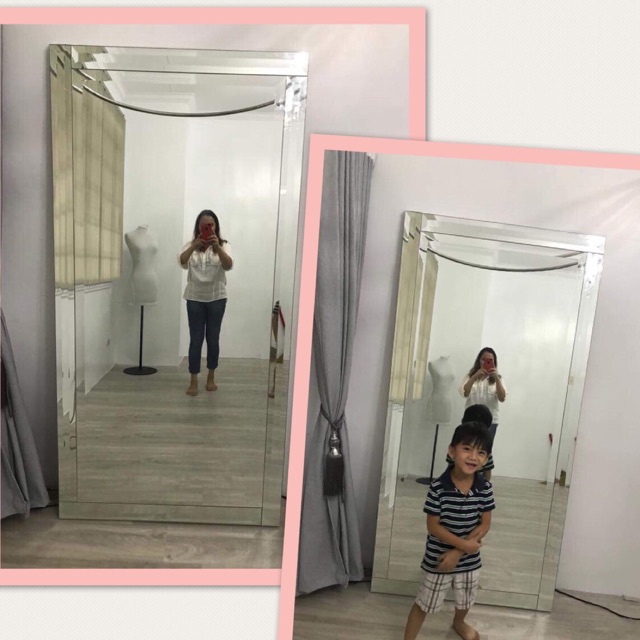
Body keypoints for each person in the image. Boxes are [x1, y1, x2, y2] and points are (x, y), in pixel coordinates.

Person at [404, 422, 495, 640]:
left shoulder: (485, 488)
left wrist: (458, 552)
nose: (473, 457)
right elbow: (433, 526)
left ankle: (459, 622)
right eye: (467, 449)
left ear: (486, 459)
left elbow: (485, 524)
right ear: (452, 451)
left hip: (469, 559)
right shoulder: (438, 487)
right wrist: (462, 546)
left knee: (465, 598)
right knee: (424, 602)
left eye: (481, 452)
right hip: (439, 559)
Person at [178, 209, 233, 396]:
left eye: (211, 224)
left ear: (216, 226)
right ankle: (193, 379)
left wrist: (217, 247)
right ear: (199, 227)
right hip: (194, 298)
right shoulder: (190, 245)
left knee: (213, 338)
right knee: (195, 340)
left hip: (217, 298)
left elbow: (228, 265)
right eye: (204, 225)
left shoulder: (224, 245)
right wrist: (194, 245)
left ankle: (211, 376)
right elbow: (182, 262)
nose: (208, 227)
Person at [459, 347, 506, 480]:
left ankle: (485, 485)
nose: (487, 362)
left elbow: (502, 397)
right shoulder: (470, 376)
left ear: (494, 362)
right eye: (484, 360)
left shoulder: (498, 379)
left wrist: (496, 378)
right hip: (470, 421)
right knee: (468, 451)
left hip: (490, 422)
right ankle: (468, 481)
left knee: (485, 454)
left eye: (490, 360)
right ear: (479, 360)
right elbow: (465, 392)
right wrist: (475, 376)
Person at [445, 404, 495, 480]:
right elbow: (451, 466)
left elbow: (488, 470)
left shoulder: (485, 450)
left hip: (478, 483)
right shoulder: (457, 444)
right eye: (467, 449)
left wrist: (486, 484)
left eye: (480, 452)